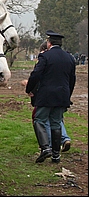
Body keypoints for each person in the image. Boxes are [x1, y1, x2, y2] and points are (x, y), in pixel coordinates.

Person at [25, 30, 76, 164]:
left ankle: (45, 148)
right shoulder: (70, 58)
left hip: (46, 95)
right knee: (56, 123)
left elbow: (36, 74)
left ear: (49, 43)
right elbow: (72, 80)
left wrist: (29, 89)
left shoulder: (45, 57)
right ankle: (56, 155)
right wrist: (67, 95)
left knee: (39, 120)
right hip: (62, 95)